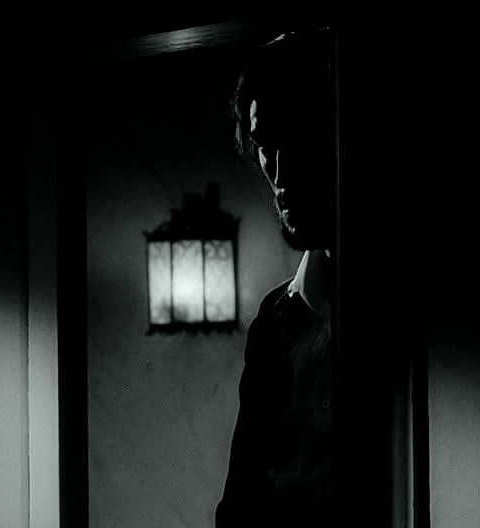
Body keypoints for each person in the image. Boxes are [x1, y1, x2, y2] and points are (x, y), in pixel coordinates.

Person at [216, 27, 337, 528]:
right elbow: (240, 504)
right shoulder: (275, 323)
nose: (282, 173)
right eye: (267, 143)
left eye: (302, 138)